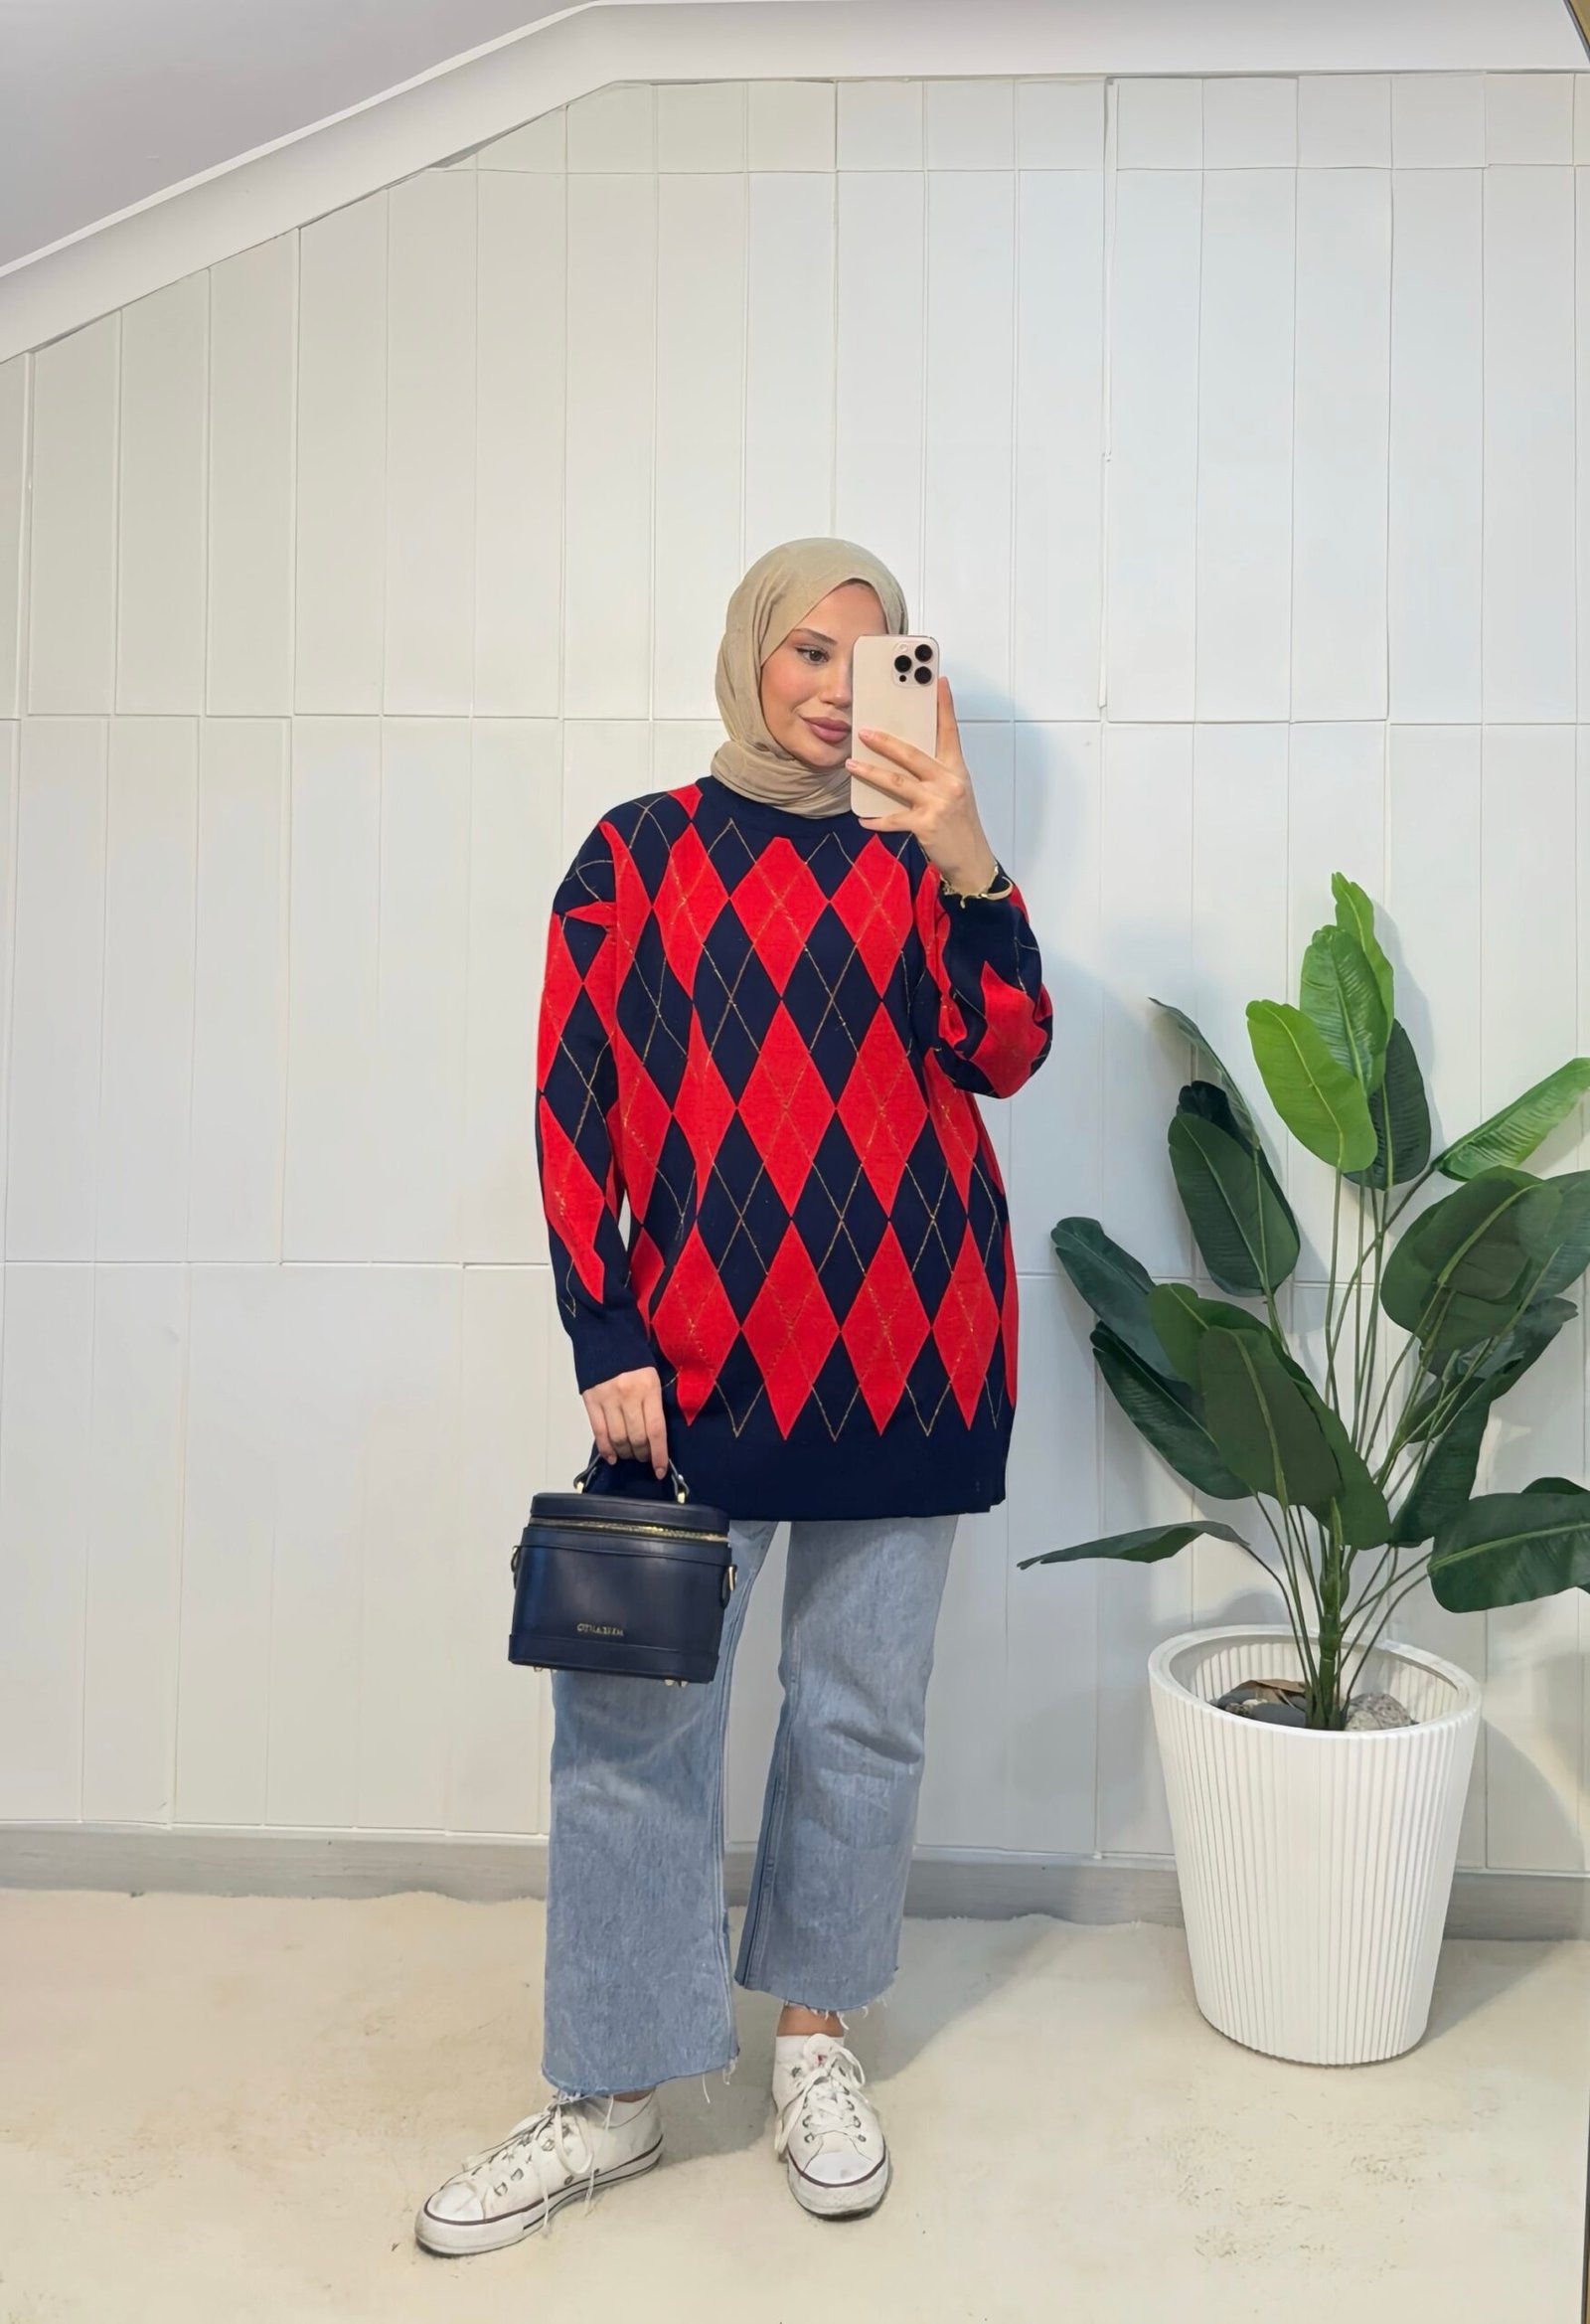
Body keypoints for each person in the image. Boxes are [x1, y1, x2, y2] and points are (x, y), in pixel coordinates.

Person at [416, 538, 1052, 2254]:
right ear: (750, 658)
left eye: (875, 654)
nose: (840, 688)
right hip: (690, 1378)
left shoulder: (924, 862)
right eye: (807, 651)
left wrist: (969, 856)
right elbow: (573, 1101)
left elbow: (1006, 1051)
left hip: (918, 1356)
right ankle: (613, 2086)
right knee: (631, 1724)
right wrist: (602, 1328)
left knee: (861, 1718)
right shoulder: (637, 854)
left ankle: (815, 2044)